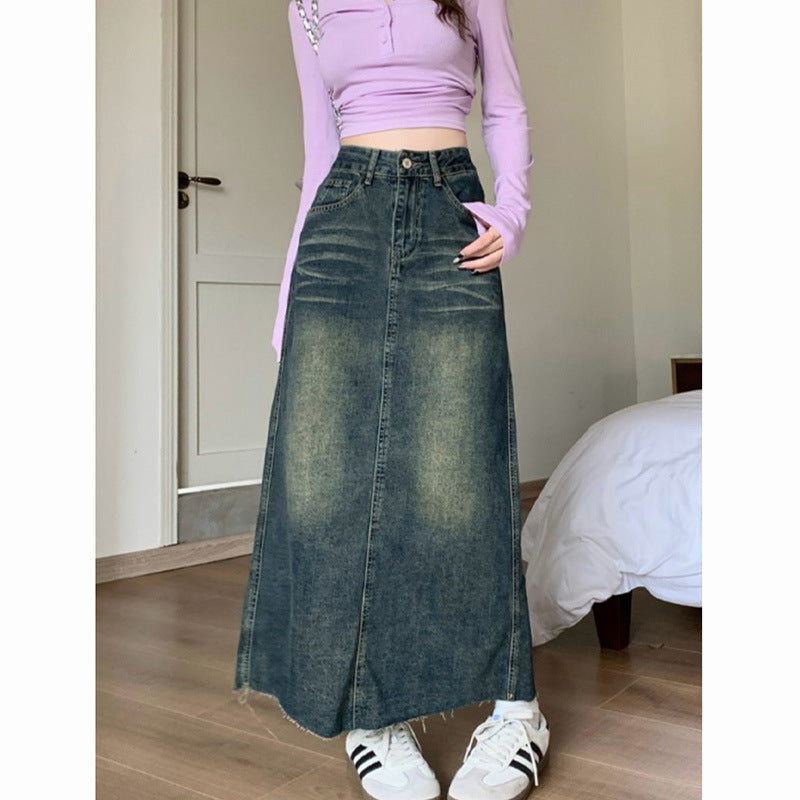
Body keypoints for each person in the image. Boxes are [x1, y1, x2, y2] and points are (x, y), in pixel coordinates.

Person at [233, 2, 550, 799]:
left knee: (458, 471)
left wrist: (513, 213)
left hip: (451, 209)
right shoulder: (307, 4)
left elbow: (506, 105)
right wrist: (290, 294)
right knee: (320, 477)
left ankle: (517, 711)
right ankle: (373, 716)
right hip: (343, 215)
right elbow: (318, 148)